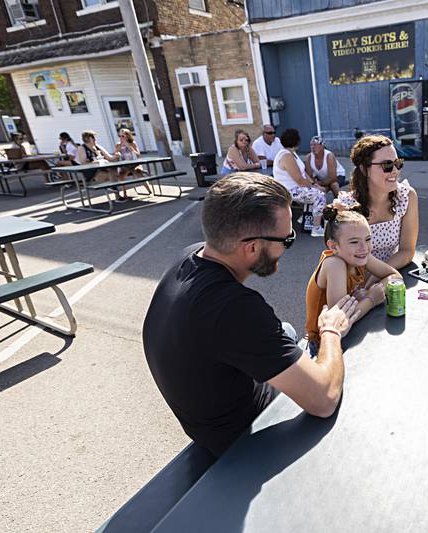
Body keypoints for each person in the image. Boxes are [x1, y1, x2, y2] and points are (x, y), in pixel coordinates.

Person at [143, 174, 360, 457]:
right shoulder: (236, 309)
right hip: (243, 438)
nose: (287, 248)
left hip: (202, 409)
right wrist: (331, 330)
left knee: (286, 331)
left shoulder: (189, 257)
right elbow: (324, 399)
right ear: (252, 247)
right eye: (287, 240)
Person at [305, 205, 401, 356]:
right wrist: (371, 299)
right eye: (354, 242)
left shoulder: (360, 255)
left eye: (368, 239)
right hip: (324, 343)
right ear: (333, 246)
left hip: (350, 330)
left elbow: (394, 277)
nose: (364, 247)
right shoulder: (334, 264)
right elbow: (341, 320)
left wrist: (371, 292)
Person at [336, 134, 419, 269]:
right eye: (387, 165)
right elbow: (343, 260)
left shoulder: (406, 196)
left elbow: (407, 251)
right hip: (356, 278)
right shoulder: (346, 206)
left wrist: (380, 277)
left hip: (390, 273)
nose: (395, 171)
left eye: (398, 163)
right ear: (364, 169)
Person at [273, 128, 327, 237]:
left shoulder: (292, 153)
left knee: (317, 191)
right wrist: (315, 188)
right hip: (288, 190)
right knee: (319, 195)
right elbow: (299, 179)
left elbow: (303, 173)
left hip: (295, 188)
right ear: (297, 141)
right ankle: (316, 228)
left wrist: (314, 184)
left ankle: (306, 217)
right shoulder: (286, 156)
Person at [114, 128, 150, 202]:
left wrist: (129, 147)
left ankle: (149, 190)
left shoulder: (133, 143)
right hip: (125, 165)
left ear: (127, 136)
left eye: (122, 136)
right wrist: (117, 154)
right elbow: (115, 156)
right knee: (121, 175)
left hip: (134, 164)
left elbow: (138, 155)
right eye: (119, 136)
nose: (121, 138)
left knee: (138, 171)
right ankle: (124, 193)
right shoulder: (118, 145)